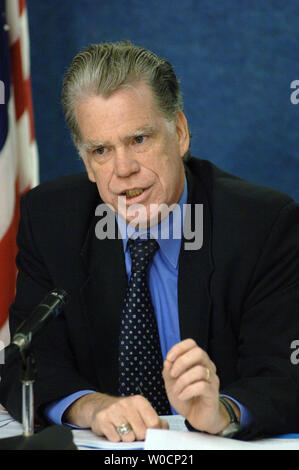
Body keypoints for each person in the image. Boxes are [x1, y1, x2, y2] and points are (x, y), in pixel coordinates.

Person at [0, 41, 298, 443]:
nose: (123, 169)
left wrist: (222, 410)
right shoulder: (51, 220)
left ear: (180, 132)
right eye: (101, 150)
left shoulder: (261, 226)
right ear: (87, 164)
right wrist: (93, 406)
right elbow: (25, 360)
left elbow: (286, 373)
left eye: (139, 139)